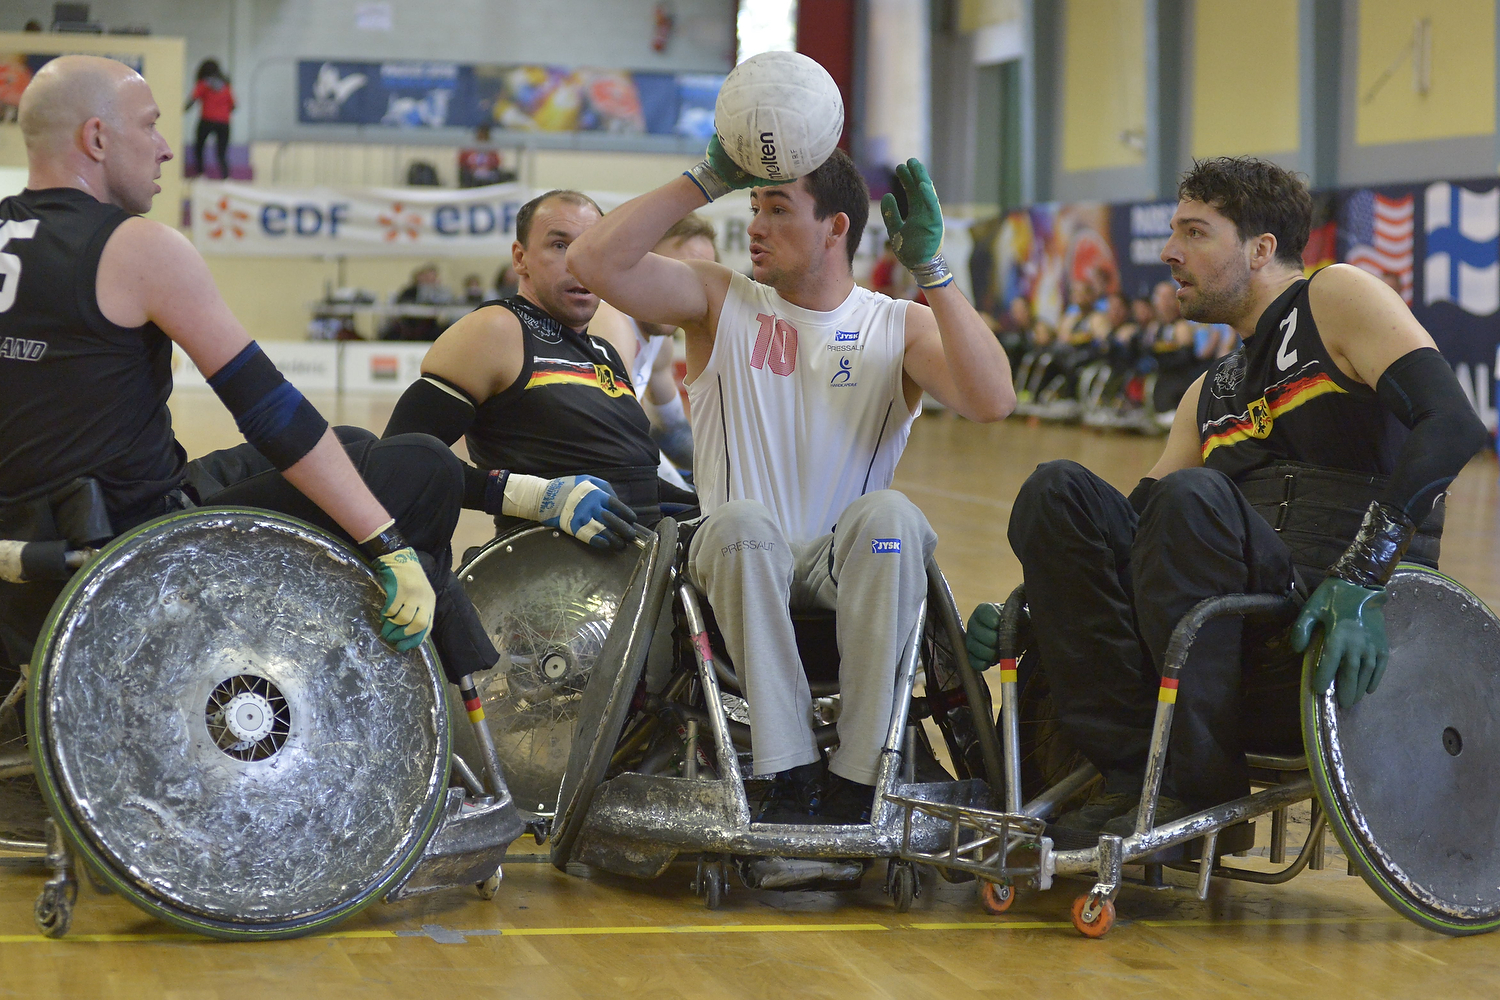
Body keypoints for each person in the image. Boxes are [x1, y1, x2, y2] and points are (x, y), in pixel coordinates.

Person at [966, 156, 1487, 845]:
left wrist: (1364, 574)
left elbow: (1453, 424)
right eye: (1173, 231)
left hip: (1333, 637)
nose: (1169, 251)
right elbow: (1122, 534)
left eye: (1195, 232)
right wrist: (1036, 603)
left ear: (1261, 249)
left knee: (1192, 497)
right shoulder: (1207, 393)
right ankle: (1132, 774)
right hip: (1222, 643)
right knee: (1055, 491)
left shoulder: (1334, 296)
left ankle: (1197, 789)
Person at [0, 55, 497, 690]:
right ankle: (352, 695)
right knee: (421, 469)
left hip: (40, 546)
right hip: (133, 555)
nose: (166, 148)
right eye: (150, 125)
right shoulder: (138, 248)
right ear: (96, 138)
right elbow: (272, 411)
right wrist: (388, 545)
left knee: (349, 445)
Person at [566, 141, 1014, 822]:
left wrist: (932, 270)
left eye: (777, 209)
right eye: (753, 207)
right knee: (742, 523)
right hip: (736, 561)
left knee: (893, 515)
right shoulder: (717, 298)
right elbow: (593, 262)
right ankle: (790, 768)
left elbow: (994, 401)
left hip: (847, 565)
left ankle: (860, 776)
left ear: (835, 227)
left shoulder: (897, 323)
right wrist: (705, 178)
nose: (755, 226)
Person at [381, 189, 656, 537]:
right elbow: (398, 461)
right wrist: (533, 498)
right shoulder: (495, 329)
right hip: (549, 559)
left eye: (592, 246)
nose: (579, 262)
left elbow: (638, 480)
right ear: (520, 258)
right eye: (560, 245)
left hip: (645, 548)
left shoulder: (605, 352)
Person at [589, 213, 717, 484]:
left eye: (698, 280)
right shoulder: (611, 321)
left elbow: (673, 431)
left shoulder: (660, 340)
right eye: (675, 272)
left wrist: (722, 470)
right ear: (635, 263)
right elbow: (622, 438)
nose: (686, 291)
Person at [184, 58, 234, 180]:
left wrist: (180, 110)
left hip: (207, 120)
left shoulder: (203, 84)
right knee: (222, 151)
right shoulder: (226, 86)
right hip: (224, 122)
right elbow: (233, 105)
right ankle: (226, 177)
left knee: (200, 147)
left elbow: (192, 100)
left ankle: (201, 174)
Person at [383, 263, 452, 341]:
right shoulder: (410, 291)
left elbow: (447, 304)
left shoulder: (441, 292)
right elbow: (401, 303)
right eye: (427, 277)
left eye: (432, 277)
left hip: (431, 326)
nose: (429, 280)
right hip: (411, 324)